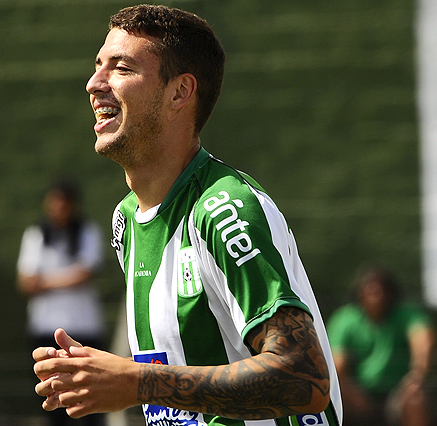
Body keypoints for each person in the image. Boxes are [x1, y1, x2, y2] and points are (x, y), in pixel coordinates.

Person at [32, 5, 343, 426]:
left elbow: (304, 378)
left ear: (179, 93)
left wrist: (138, 382)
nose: (94, 83)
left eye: (121, 68)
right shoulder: (126, 220)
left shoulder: (225, 209)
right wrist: (113, 379)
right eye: (97, 65)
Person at [17, 178, 105, 426]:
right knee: (53, 400)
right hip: (44, 328)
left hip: (84, 328)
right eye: (54, 201)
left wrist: (44, 282)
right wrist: (69, 278)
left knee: (90, 399)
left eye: (64, 202)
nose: (59, 207)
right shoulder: (35, 234)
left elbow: (85, 274)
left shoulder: (88, 232)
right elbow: (26, 282)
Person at [327, 265, 435, 426]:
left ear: (391, 293)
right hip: (356, 393)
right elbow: (337, 367)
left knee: (416, 397)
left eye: (381, 290)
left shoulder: (407, 314)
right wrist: (352, 393)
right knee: (330, 397)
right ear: (359, 293)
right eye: (370, 290)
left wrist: (416, 377)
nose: (376, 295)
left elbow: (423, 342)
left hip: (399, 393)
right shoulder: (345, 319)